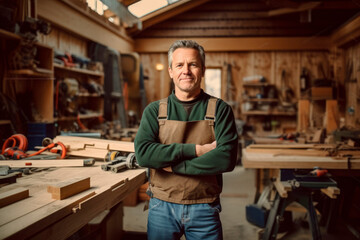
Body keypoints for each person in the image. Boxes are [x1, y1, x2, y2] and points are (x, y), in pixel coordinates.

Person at [134, 40, 238, 240]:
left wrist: (173, 167)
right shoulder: (155, 111)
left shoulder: (220, 110)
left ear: (203, 70)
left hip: (204, 207)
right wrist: (198, 150)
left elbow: (226, 158)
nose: (186, 71)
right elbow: (144, 154)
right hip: (161, 205)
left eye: (193, 64)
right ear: (171, 71)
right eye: (180, 65)